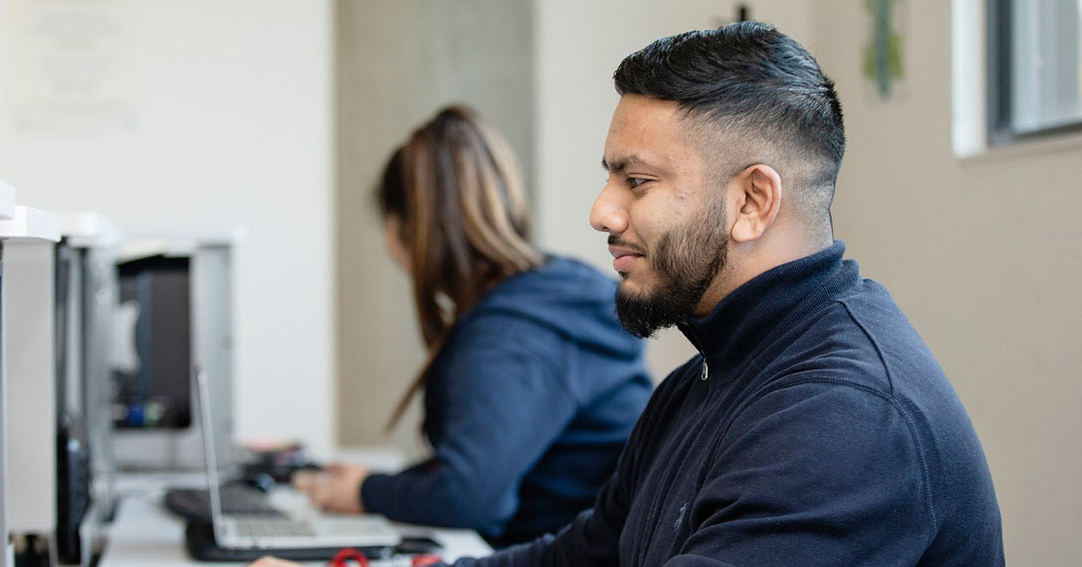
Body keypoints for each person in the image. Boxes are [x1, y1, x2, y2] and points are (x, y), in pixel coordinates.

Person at [254, 21, 1003, 567]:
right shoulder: (703, 380)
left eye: (636, 181)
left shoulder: (845, 416)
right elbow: (575, 557)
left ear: (751, 203)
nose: (601, 211)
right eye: (610, 176)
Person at [295, 105, 653, 547]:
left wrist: (366, 492)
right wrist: (372, 484)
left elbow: (468, 497)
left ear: (406, 227)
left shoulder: (508, 337)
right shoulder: (551, 293)